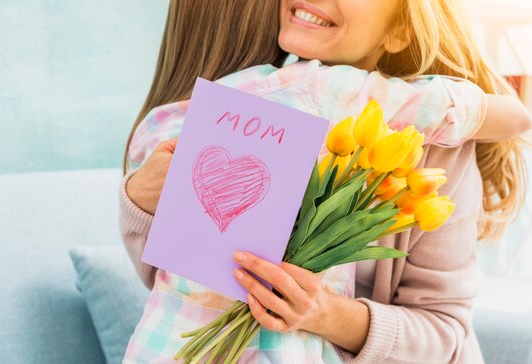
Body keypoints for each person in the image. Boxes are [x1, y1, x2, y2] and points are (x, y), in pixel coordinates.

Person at [121, 0, 531, 362]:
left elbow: (445, 335)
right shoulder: (245, 101)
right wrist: (139, 199)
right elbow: (173, 275)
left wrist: (327, 315)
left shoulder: (430, 143)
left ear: (401, 30)